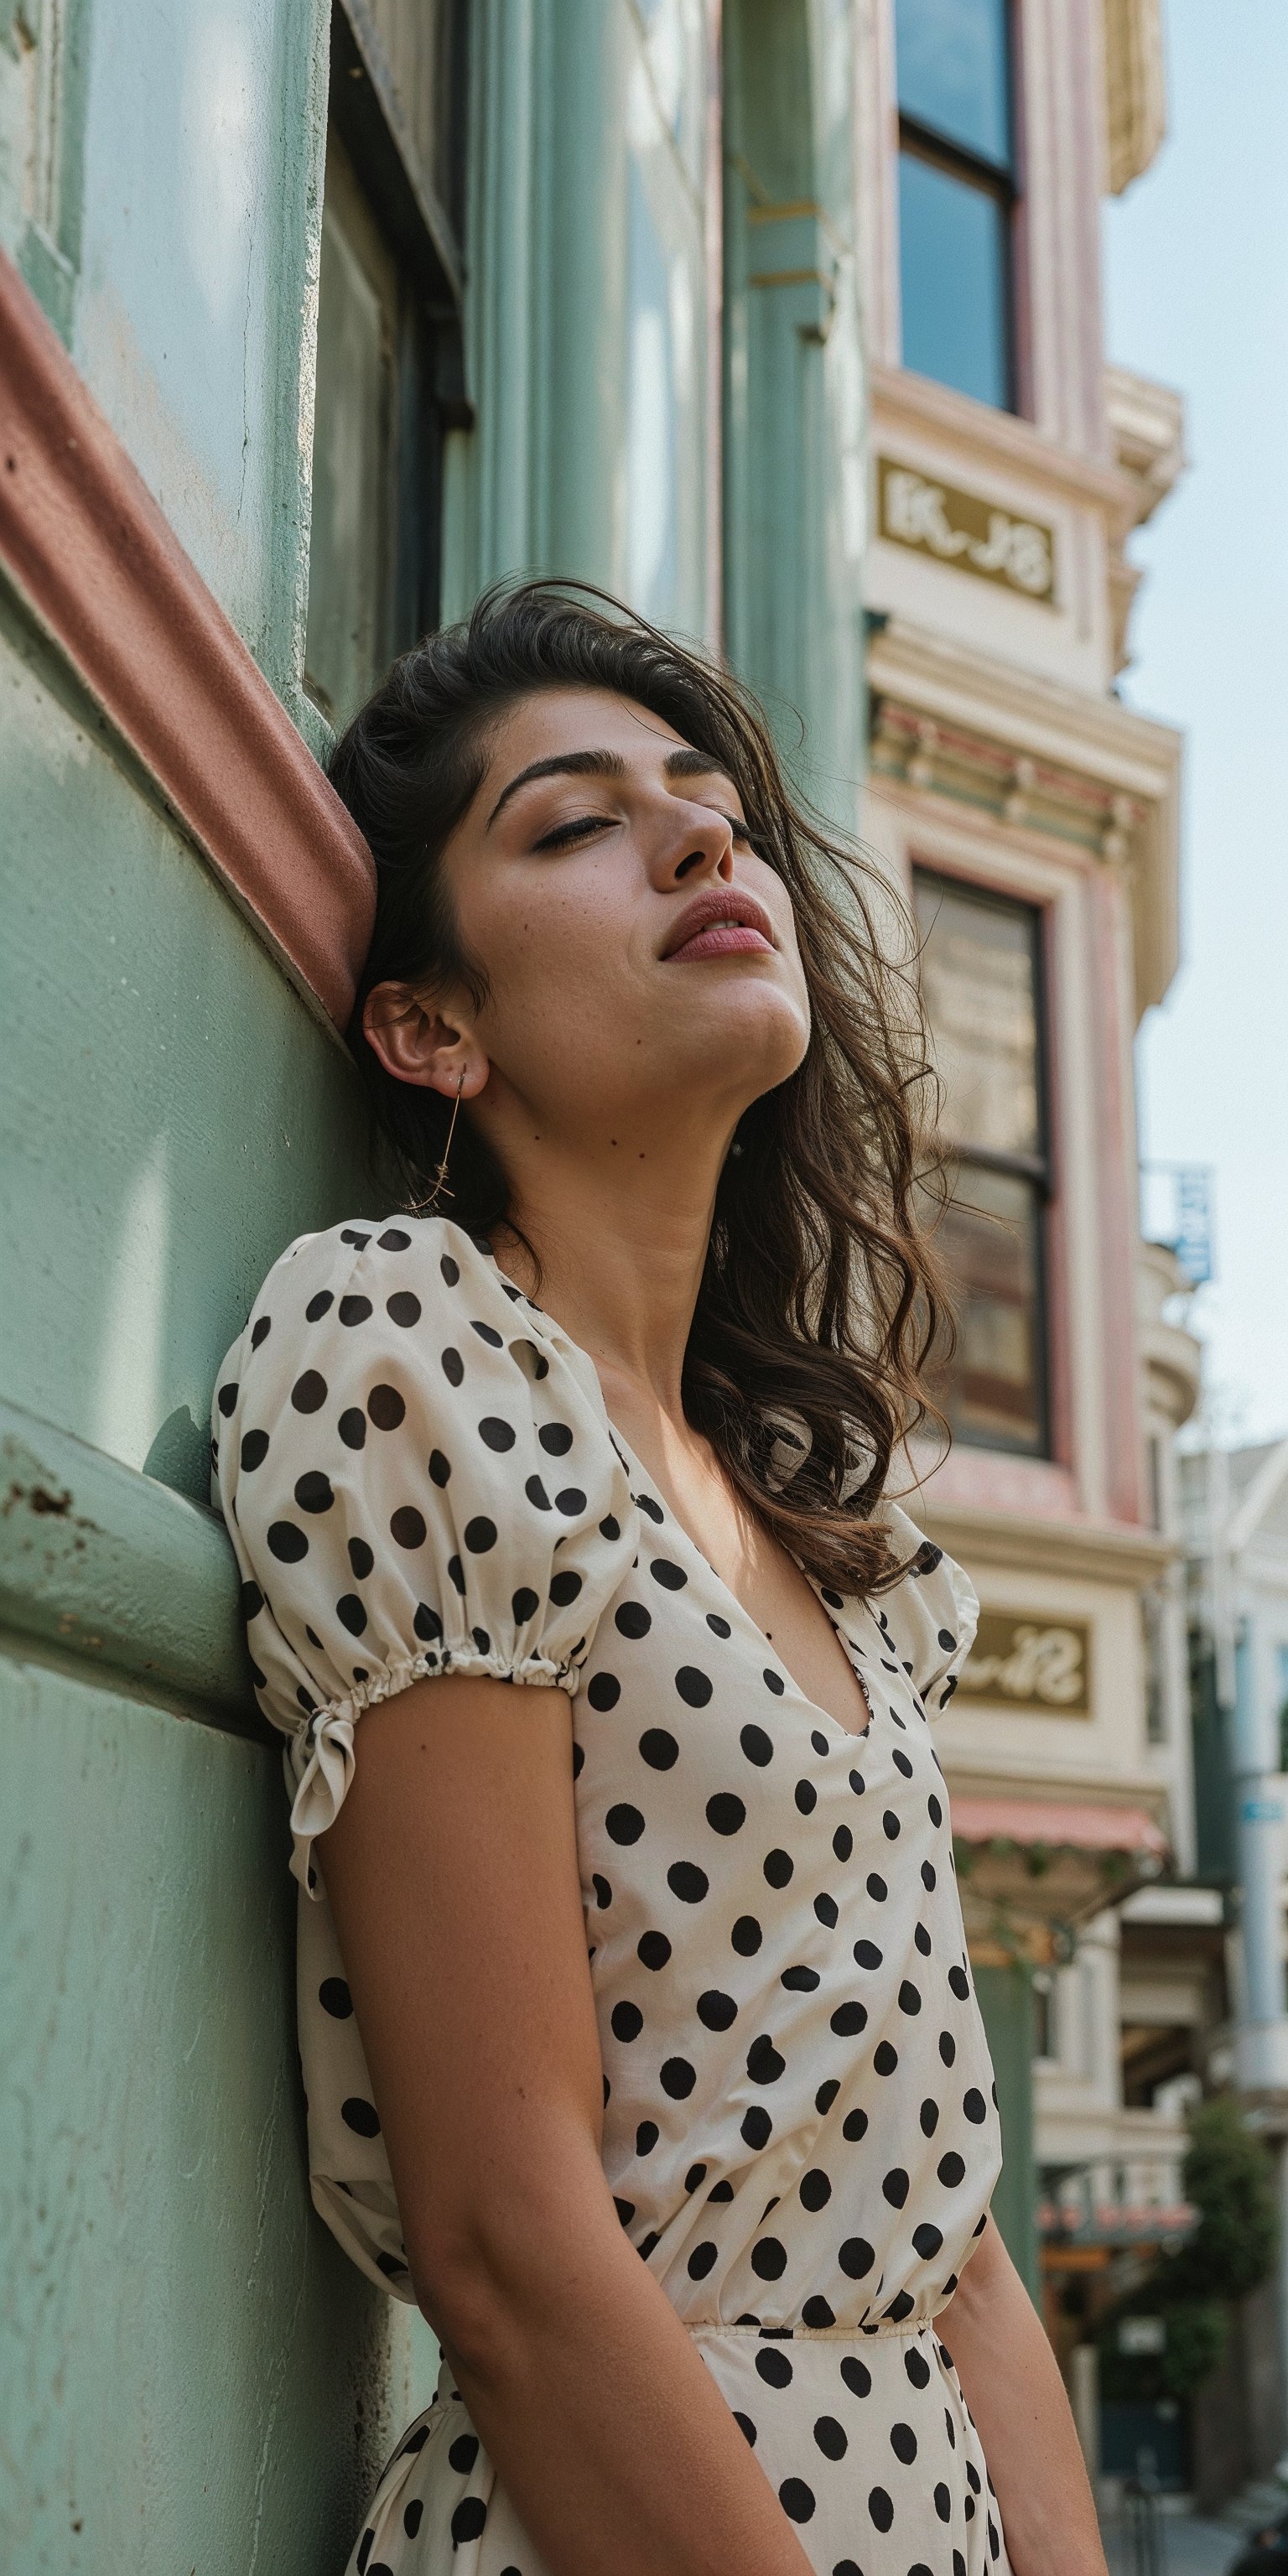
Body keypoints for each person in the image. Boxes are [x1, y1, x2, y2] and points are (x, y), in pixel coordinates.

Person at [211, 584, 1108, 2576]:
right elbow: (509, 2249)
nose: (702, 838)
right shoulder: (420, 1364)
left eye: (712, 803)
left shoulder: (820, 1529)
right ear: (430, 1026)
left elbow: (955, 2251)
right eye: (573, 824)